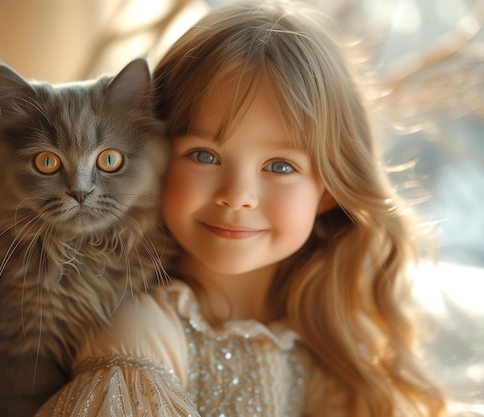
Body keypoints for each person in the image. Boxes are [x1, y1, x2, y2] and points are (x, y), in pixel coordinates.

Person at [35, 1, 447, 416]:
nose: (238, 195)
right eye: (204, 155)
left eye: (281, 166)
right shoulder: (140, 337)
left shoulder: (329, 333)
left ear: (328, 190)